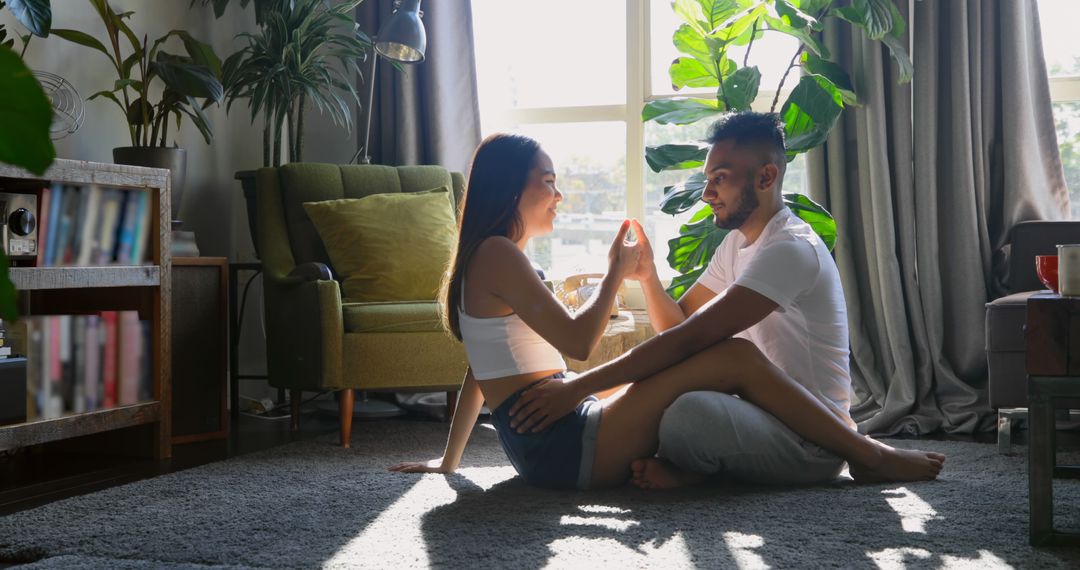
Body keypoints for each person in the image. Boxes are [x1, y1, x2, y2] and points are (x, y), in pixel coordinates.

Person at [390, 123, 944, 491]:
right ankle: (864, 456)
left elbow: (681, 341)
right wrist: (628, 275)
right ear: (512, 191)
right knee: (723, 370)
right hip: (557, 442)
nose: (707, 194)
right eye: (550, 182)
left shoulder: (788, 248)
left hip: (808, 426)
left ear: (767, 177)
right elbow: (657, 334)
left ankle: (855, 452)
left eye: (718, 180)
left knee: (716, 370)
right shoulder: (500, 256)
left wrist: (454, 458)